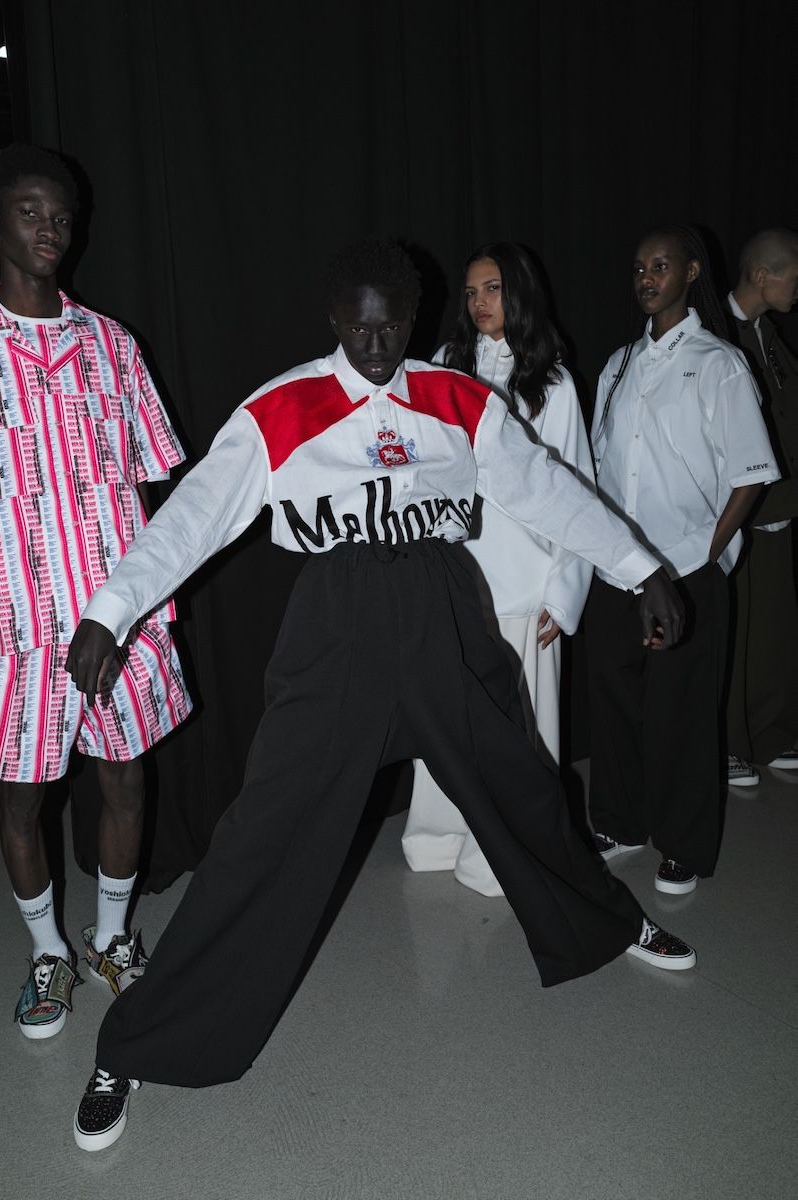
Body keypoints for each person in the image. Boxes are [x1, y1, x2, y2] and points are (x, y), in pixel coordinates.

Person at [64, 238, 696, 1153]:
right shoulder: (283, 407)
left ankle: (607, 921)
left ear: (412, 317)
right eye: (359, 328)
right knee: (263, 833)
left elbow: (548, 491)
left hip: (442, 608)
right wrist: (111, 609)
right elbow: (194, 516)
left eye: (392, 326)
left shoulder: (456, 398)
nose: (375, 344)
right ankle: (137, 1043)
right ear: (334, 319)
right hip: (339, 624)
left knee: (522, 781)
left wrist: (642, 568)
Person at [0, 145, 192, 1040]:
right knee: (21, 800)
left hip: (117, 613)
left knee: (126, 779)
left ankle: (111, 939)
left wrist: (152, 602)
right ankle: (46, 954)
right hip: (16, 624)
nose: (49, 230)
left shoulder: (113, 346)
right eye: (29, 212)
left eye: (61, 216)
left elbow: (148, 484)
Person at [585, 224, 779, 898]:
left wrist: (704, 557)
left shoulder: (719, 363)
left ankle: (685, 845)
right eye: (639, 268)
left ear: (691, 273)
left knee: (682, 712)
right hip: (619, 569)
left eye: (660, 266)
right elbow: (600, 468)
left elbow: (751, 475)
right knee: (614, 701)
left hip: (689, 570)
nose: (646, 278)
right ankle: (620, 821)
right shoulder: (617, 366)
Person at [402, 242, 594, 897]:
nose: (480, 302)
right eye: (472, 291)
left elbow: (577, 489)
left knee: (520, 727)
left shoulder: (554, 384)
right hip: (457, 578)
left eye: (492, 288)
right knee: (449, 716)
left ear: (520, 293)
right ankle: (438, 835)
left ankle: (511, 854)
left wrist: (563, 593)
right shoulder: (444, 366)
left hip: (525, 580)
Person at [725, 229, 798, 785]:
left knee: (772, 631)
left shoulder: (768, 334)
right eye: (794, 277)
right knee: (733, 633)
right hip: (735, 511)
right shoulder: (717, 333)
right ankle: (726, 744)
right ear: (762, 275)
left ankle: (768, 735)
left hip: (778, 507)